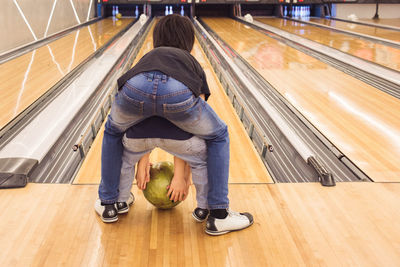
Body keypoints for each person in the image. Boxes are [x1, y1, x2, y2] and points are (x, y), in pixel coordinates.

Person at [97, 14, 253, 235]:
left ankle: (111, 204)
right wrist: (181, 175)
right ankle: (218, 215)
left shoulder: (149, 57)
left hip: (135, 86)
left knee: (112, 132)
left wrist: (144, 157)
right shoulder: (190, 62)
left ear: (156, 39)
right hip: (177, 91)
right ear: (189, 41)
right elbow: (187, 123)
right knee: (218, 135)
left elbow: (147, 109)